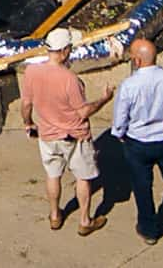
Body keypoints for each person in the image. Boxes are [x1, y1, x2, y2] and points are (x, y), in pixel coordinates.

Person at [20, 28, 108, 235]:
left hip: (47, 134)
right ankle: (85, 220)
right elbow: (83, 111)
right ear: (65, 50)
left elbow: (26, 103)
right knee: (83, 177)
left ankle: (54, 215)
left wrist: (28, 123)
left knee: (53, 175)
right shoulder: (69, 79)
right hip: (74, 135)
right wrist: (105, 99)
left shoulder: (31, 71)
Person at [105, 37, 163, 242]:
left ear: (136, 60)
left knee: (142, 186)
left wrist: (119, 134)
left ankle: (149, 230)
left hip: (138, 143)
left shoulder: (129, 85)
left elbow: (121, 116)